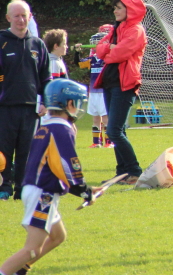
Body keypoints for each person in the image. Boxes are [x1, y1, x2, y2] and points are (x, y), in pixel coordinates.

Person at [0, 79, 101, 275]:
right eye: (78, 103)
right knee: (32, 249)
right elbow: (68, 164)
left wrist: (83, 190)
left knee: (57, 236)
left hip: (38, 189)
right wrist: (83, 190)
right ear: (69, 104)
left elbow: (55, 167)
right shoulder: (60, 129)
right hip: (43, 194)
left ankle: (20, 270)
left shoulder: (46, 126)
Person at [0, 0, 51, 200]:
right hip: (5, 107)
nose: (21, 20)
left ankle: (23, 189)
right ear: (8, 18)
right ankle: (4, 187)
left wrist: (46, 101)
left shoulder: (37, 44)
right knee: (4, 151)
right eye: (17, 16)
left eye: (24, 15)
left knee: (26, 151)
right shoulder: (2, 41)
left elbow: (45, 77)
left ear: (30, 17)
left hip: (30, 108)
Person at [94, 0, 147, 185]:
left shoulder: (136, 29)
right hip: (110, 82)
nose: (115, 11)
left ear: (129, 11)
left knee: (114, 131)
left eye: (119, 8)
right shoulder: (117, 28)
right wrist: (109, 48)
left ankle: (134, 171)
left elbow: (121, 53)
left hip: (125, 84)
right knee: (117, 129)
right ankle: (123, 173)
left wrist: (108, 51)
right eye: (115, 8)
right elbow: (99, 50)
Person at [79, 25, 115, 148]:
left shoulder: (108, 57)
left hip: (103, 92)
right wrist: (77, 52)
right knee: (95, 118)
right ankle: (96, 142)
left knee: (105, 118)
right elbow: (79, 64)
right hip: (93, 92)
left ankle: (109, 142)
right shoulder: (92, 59)